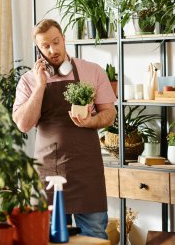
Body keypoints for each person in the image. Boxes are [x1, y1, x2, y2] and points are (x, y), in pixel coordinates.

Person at [12, 19, 117, 239]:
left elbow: (109, 113)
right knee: (46, 238)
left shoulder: (92, 71)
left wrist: (90, 121)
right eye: (45, 46)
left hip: (86, 173)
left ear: (64, 38)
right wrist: (40, 86)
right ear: (38, 49)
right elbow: (23, 123)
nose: (53, 50)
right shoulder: (28, 81)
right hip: (48, 172)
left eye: (56, 42)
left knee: (95, 236)